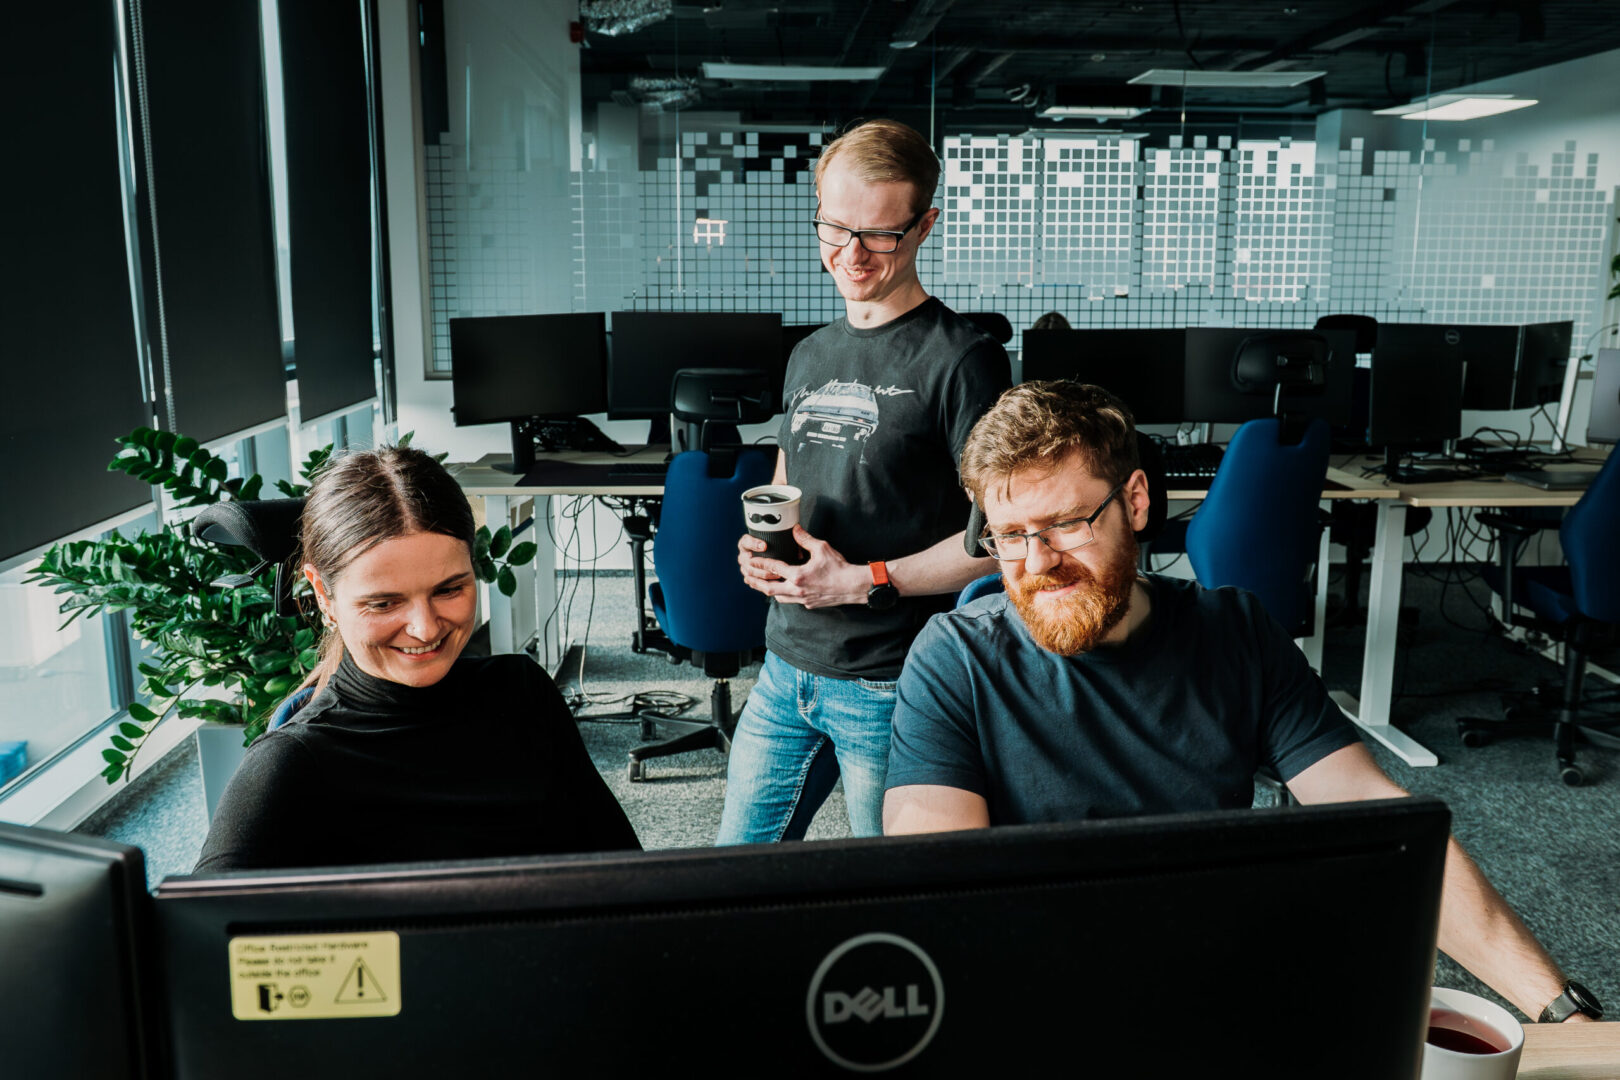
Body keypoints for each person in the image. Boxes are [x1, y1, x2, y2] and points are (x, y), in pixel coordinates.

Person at [882, 380, 1597, 1023]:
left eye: (1067, 523)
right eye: (1010, 536)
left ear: (1134, 502)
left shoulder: (1236, 634)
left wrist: (1559, 1007)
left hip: (1208, 976)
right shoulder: (954, 660)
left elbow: (1387, 828)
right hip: (1040, 989)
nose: (1038, 563)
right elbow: (942, 893)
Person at [723, 118, 1012, 843]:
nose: (851, 254)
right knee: (731, 871)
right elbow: (792, 481)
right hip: (785, 664)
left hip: (894, 680)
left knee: (890, 895)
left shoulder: (963, 361)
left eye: (879, 234)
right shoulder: (810, 353)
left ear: (924, 226)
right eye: (834, 227)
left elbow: (1003, 540)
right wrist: (765, 551)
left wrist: (862, 581)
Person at [196, 446, 639, 871]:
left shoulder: (522, 691)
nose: (425, 629)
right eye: (384, 603)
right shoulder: (290, 764)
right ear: (323, 597)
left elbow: (629, 872)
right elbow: (200, 935)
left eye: (449, 589)